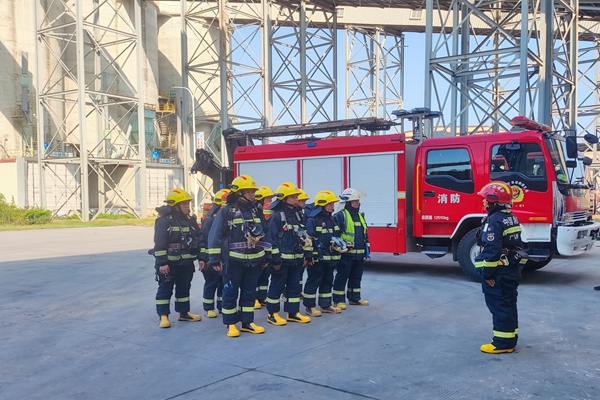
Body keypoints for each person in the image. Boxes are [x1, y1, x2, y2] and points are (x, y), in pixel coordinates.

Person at [207, 175, 271, 337]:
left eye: (253, 192)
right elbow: (215, 235)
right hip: (233, 262)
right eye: (248, 191)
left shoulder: (256, 210)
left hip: (254, 261)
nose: (252, 195)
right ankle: (230, 324)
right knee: (231, 293)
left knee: (249, 293)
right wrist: (214, 259)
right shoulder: (227, 211)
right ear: (238, 193)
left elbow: (265, 232)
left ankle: (247, 322)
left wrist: (267, 256)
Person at [475, 181, 526, 354]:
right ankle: (510, 337)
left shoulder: (494, 221)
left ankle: (502, 343)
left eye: (485, 199)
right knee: (509, 304)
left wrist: (488, 274)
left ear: (492, 201)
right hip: (510, 270)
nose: (483, 201)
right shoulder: (511, 217)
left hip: (499, 273)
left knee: (499, 306)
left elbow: (492, 250)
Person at [153, 189, 202, 328]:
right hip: (169, 264)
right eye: (184, 204)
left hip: (186, 263)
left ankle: (184, 313)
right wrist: (162, 263)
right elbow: (160, 243)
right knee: (165, 289)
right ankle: (163, 316)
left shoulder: (190, 220)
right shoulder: (164, 221)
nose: (187, 206)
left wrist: (201, 258)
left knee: (184, 288)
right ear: (175, 206)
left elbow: (198, 239)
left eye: (188, 203)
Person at [265, 182, 312, 325]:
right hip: (282, 260)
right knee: (277, 286)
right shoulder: (277, 216)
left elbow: (304, 235)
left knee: (294, 287)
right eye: (293, 197)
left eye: (296, 196)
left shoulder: (297, 214)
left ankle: (293, 313)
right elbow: (271, 239)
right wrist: (275, 258)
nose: (296, 199)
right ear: (284, 198)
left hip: (296, 259)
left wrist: (307, 253)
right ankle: (272, 314)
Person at [303, 190, 344, 316]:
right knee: (314, 280)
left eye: (333, 204)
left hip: (330, 256)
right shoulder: (313, 220)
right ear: (322, 204)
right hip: (317, 257)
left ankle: (325, 305)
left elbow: (336, 235)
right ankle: (309, 307)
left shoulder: (331, 218)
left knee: (328, 280)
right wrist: (309, 255)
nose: (332, 206)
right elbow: (308, 238)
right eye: (330, 204)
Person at [333, 188, 370, 309]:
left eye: (358, 200)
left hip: (359, 254)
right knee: (342, 277)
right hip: (346, 254)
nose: (357, 203)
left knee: (356, 277)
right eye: (355, 201)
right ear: (348, 202)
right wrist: (342, 246)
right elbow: (336, 235)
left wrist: (366, 250)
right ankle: (338, 300)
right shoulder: (341, 215)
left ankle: (355, 298)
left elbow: (364, 234)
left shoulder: (360, 215)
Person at [197, 188, 229, 318]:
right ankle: (208, 308)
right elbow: (204, 241)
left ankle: (221, 306)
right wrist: (205, 259)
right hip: (211, 260)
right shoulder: (210, 221)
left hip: (223, 258)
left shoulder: (226, 219)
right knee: (211, 283)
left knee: (222, 284)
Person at [254, 186, 275, 309]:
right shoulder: (255, 212)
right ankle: (254, 298)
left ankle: (262, 296)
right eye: (268, 199)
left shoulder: (268, 211)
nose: (270, 201)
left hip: (266, 246)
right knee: (255, 276)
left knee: (265, 275)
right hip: (257, 247)